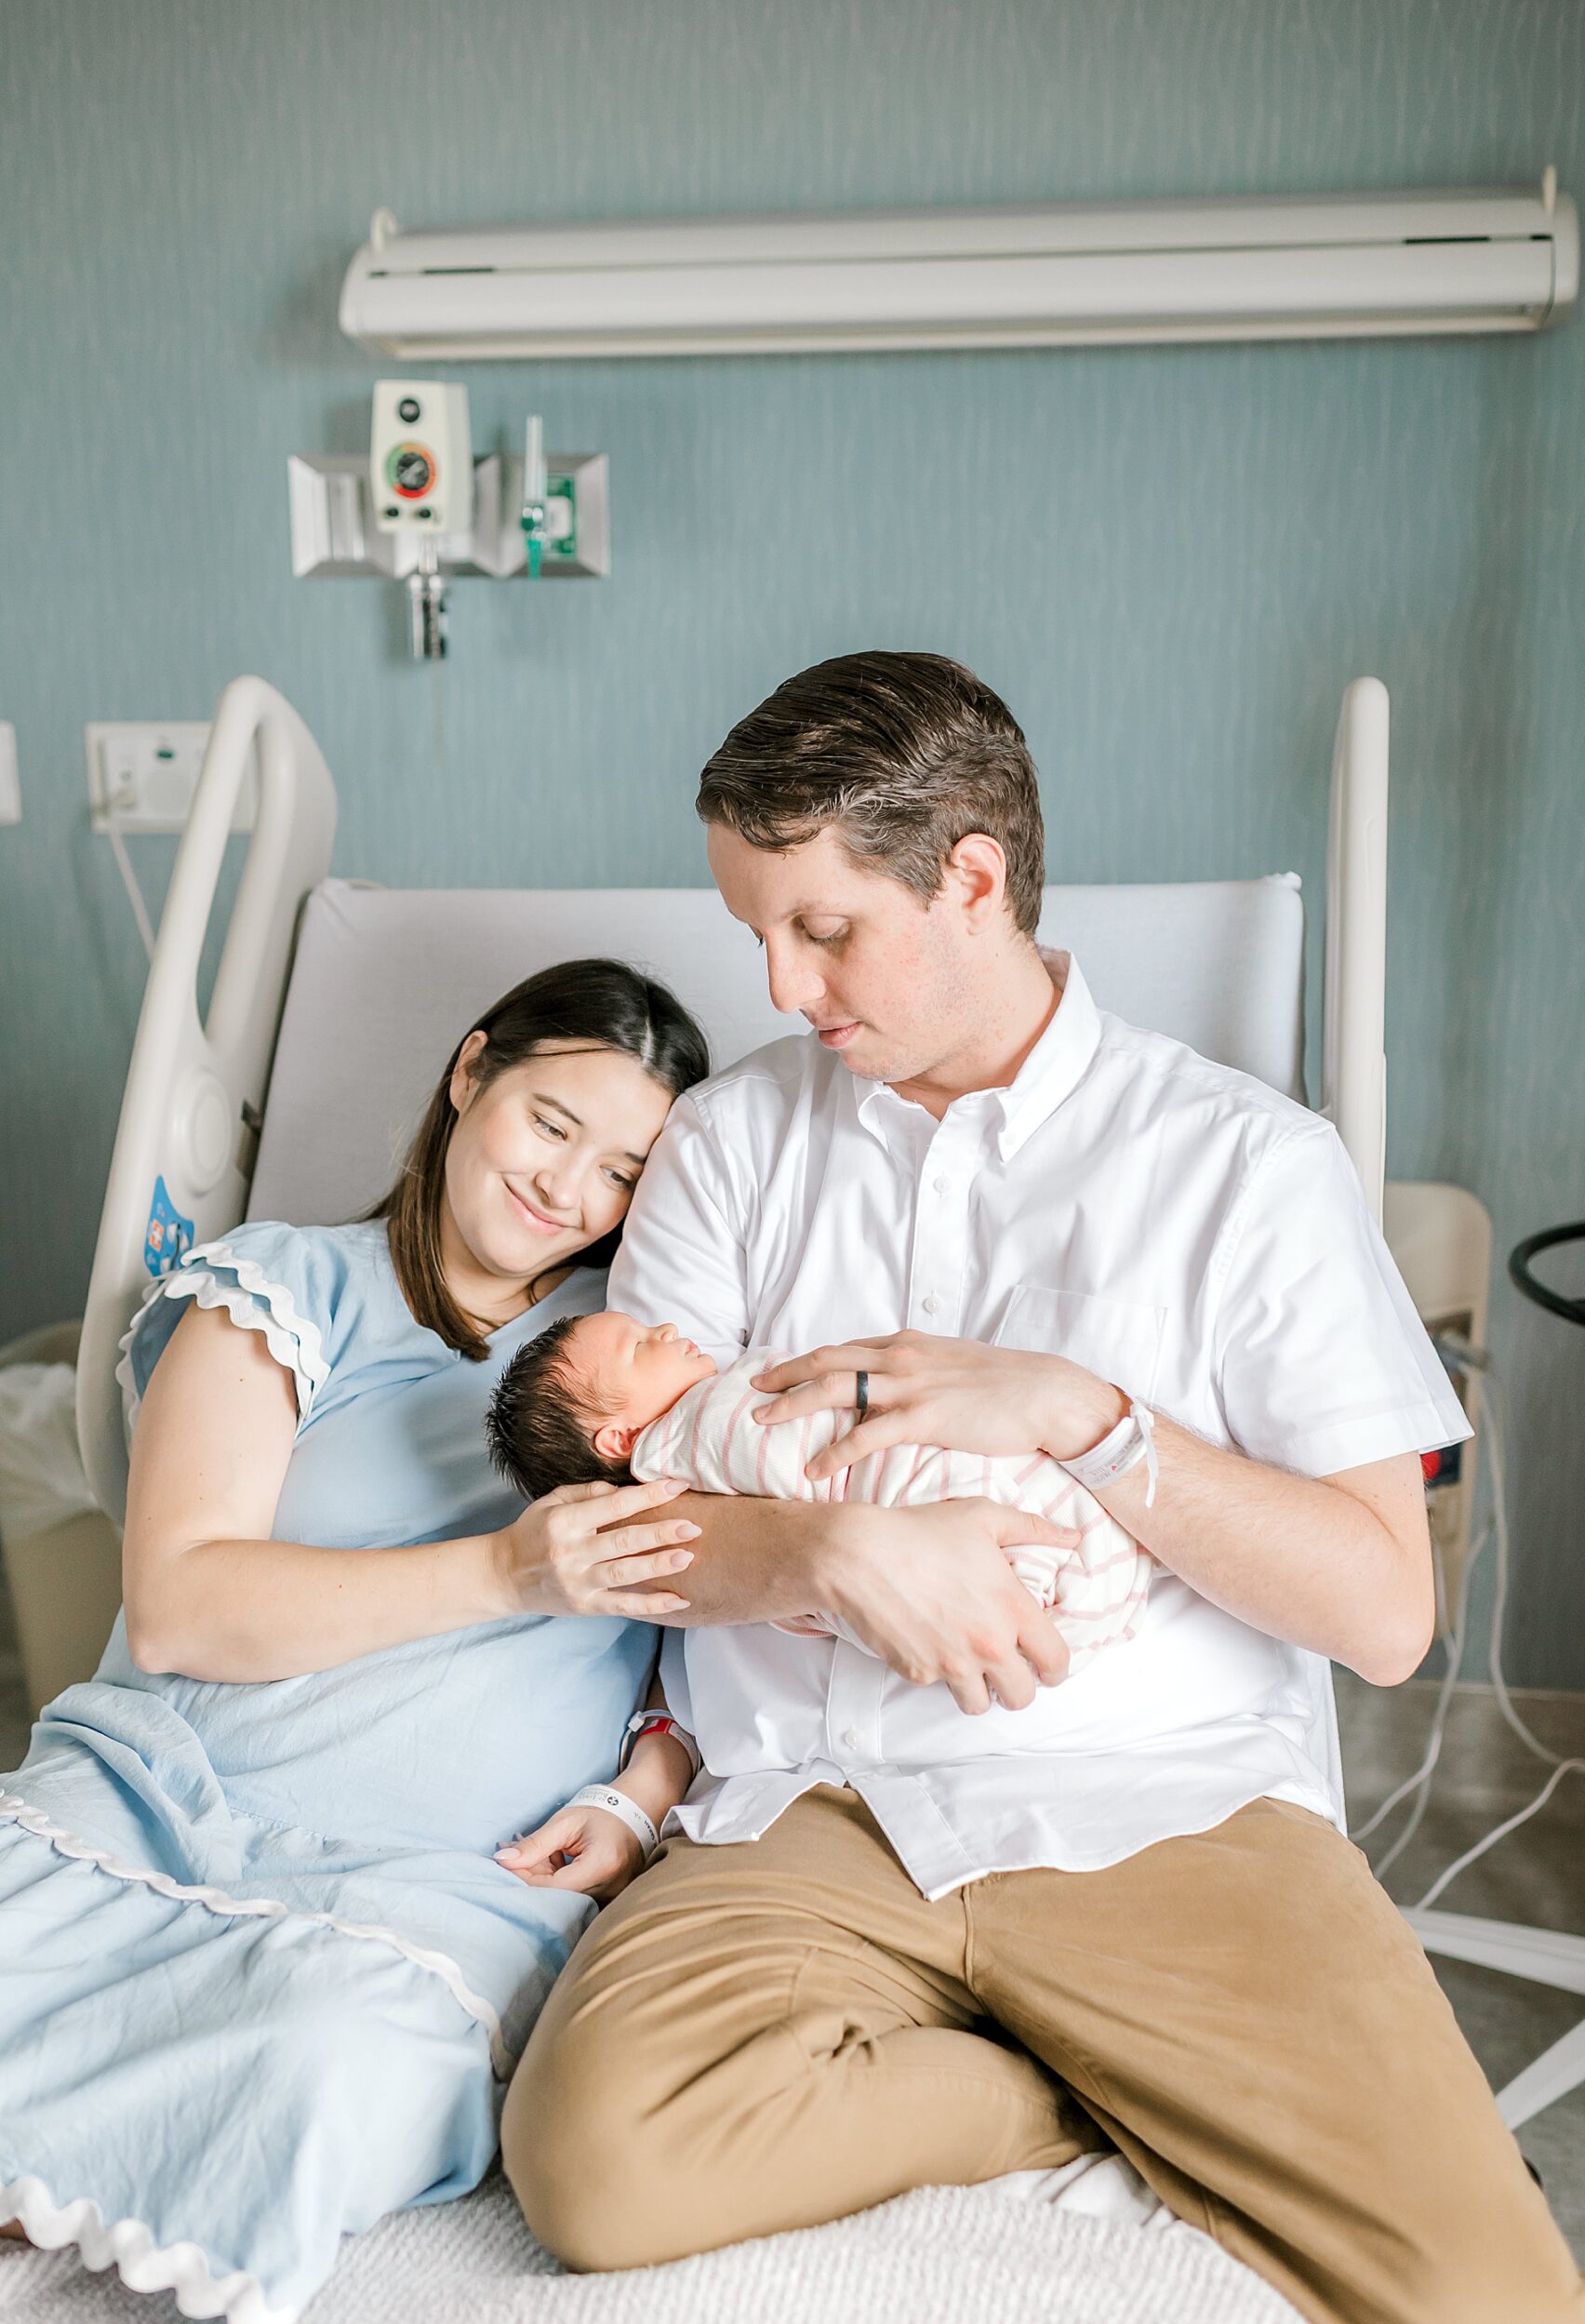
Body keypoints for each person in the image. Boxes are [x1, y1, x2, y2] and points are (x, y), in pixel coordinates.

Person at [503, 656, 1584, 2324]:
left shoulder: (1243, 1166)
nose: (783, 988)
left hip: (1155, 1809)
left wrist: (1087, 1420)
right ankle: (1073, 2091)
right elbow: (632, 1512)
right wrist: (837, 1550)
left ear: (972, 877)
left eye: (822, 929)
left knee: (1479, 2291)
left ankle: (1095, 2056)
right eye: (756, 937)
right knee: (597, 2160)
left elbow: (1379, 1613)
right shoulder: (732, 1144)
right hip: (812, 1805)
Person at [0, 959, 719, 2322]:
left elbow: (722, 1636)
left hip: (432, 1887)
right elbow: (183, 1606)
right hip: (158, 1804)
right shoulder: (283, 1287)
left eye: (620, 1171)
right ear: (469, 1075)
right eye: (551, 1125)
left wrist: (642, 1792)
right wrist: (511, 1571)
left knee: (329, 2067)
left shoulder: (639, 1361)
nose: (569, 1194)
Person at [486, 1307, 1148, 1657]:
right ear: (622, 1440)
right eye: (636, 1347)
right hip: (924, 1500)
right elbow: (794, 1463)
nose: (664, 1328)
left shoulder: (715, 1405)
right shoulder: (696, 1434)